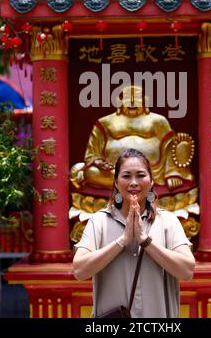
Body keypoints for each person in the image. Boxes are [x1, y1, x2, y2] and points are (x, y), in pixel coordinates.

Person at [73, 148, 195, 318]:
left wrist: (145, 240)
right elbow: (80, 271)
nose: (134, 182)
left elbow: (187, 271)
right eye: (126, 176)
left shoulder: (167, 221)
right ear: (115, 182)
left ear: (151, 181)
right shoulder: (98, 222)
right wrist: (122, 241)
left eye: (140, 175)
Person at [71, 84, 195, 191]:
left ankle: (138, 180)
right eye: (127, 99)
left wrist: (171, 173)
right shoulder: (105, 122)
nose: (132, 102)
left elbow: (169, 146)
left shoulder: (158, 121)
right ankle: (132, 181)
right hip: (113, 172)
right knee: (91, 173)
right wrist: (98, 162)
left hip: (155, 172)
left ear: (145, 100)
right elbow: (92, 153)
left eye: (136, 99)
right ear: (119, 101)